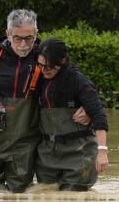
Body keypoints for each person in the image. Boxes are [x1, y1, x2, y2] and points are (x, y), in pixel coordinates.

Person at [0, 10, 90, 193]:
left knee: (19, 197)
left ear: (36, 33)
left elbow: (77, 81)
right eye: (17, 38)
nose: (23, 45)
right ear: (8, 34)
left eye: (29, 38)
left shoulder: (44, 56)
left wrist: (88, 106)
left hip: (25, 141)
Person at [35, 38, 109, 191]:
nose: (44, 70)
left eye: (48, 66)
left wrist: (102, 153)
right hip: (47, 156)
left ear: (62, 61)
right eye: (40, 65)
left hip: (78, 155)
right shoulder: (38, 79)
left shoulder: (78, 81)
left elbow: (99, 117)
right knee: (45, 200)